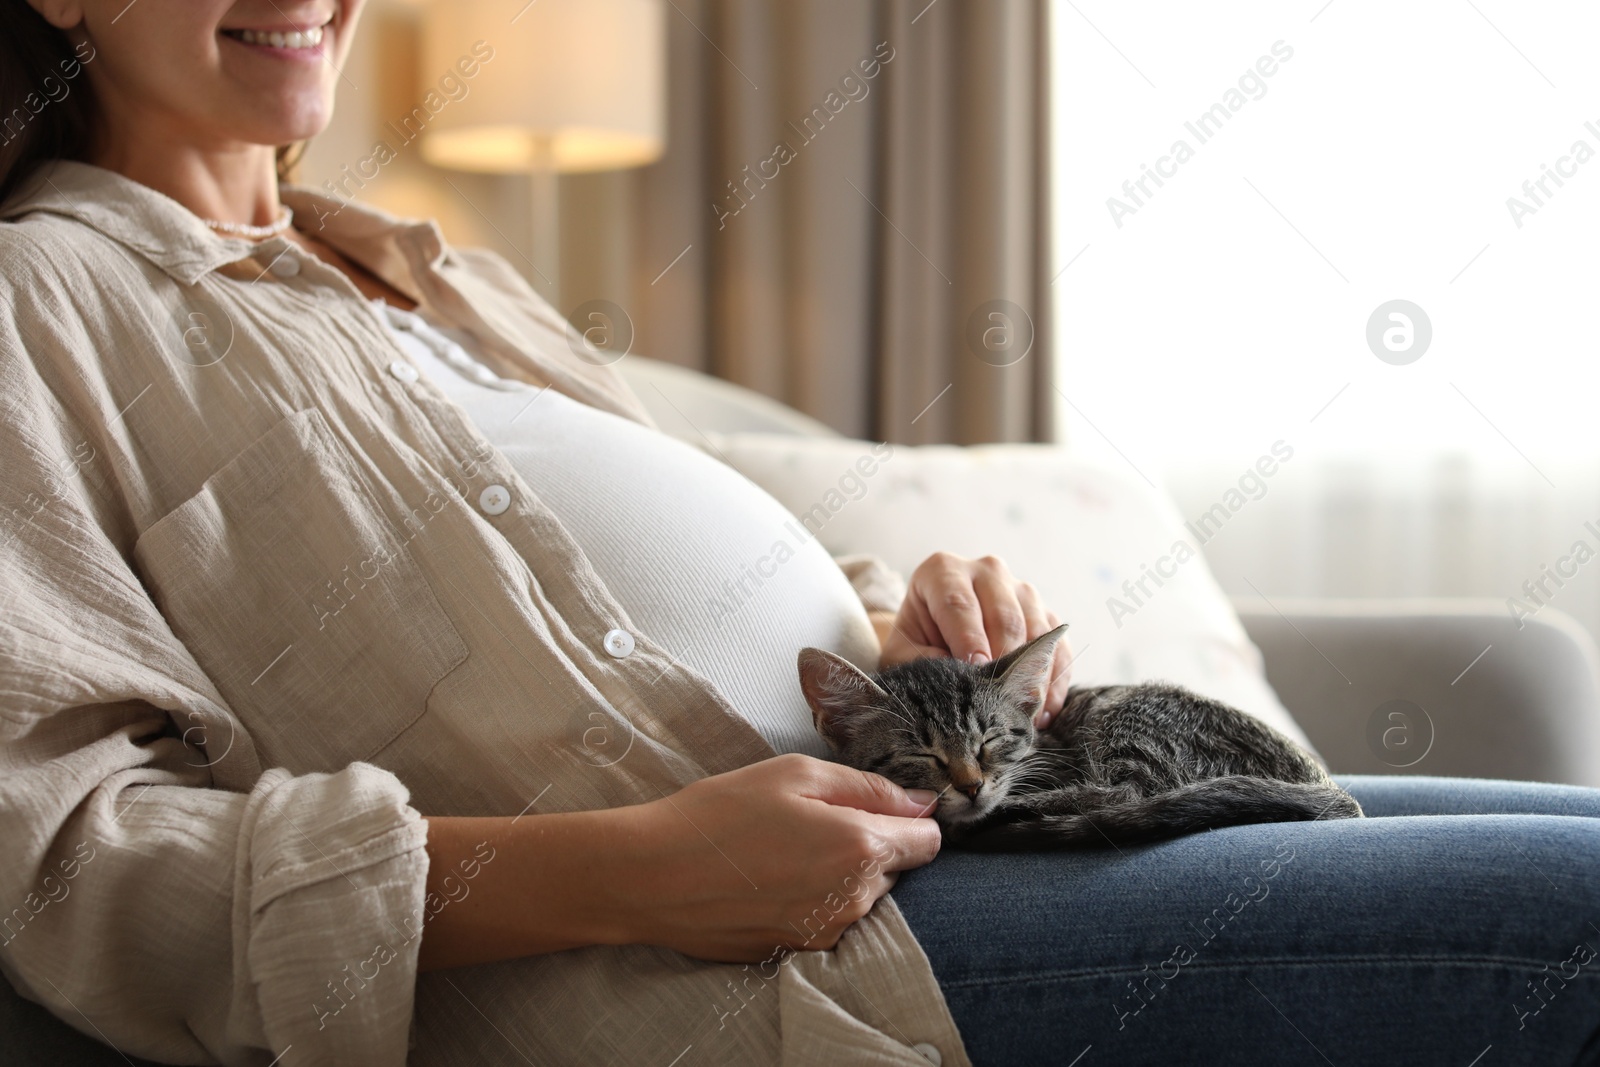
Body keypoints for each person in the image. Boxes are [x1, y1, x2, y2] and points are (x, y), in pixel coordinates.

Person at [1, 1, 1597, 1065]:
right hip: (781, 973)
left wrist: (905, 640)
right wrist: (633, 874)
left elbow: (658, 602)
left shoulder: (438, 275)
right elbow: (68, 863)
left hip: (963, 826)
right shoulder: (42, 305)